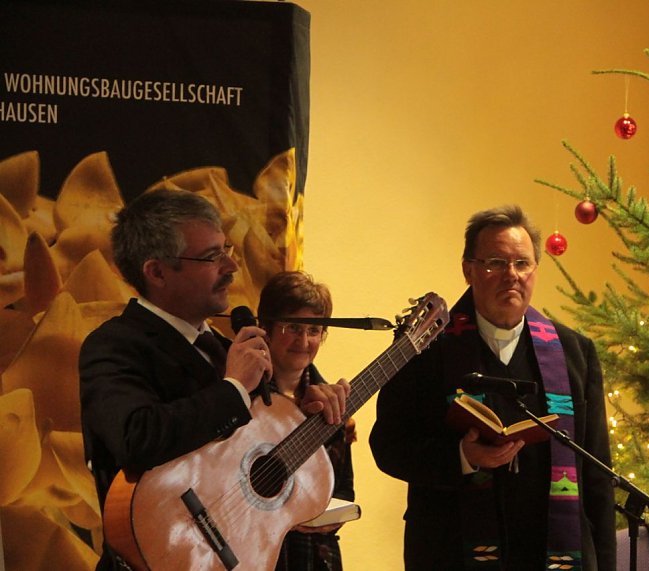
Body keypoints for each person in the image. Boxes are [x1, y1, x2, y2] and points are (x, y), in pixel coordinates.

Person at [79, 189, 349, 571]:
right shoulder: (114, 345)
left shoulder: (225, 348)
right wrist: (233, 389)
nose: (231, 267)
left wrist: (304, 417)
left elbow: (245, 462)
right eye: (211, 257)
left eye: (227, 250)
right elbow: (136, 438)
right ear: (156, 272)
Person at [369, 204, 616, 570]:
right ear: (468, 270)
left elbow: (597, 474)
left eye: (522, 264)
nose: (511, 276)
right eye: (495, 263)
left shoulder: (573, 351)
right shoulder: (423, 347)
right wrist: (464, 458)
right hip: (450, 551)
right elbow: (388, 446)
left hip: (552, 551)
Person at [257, 271, 357, 571]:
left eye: (314, 329)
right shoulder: (241, 394)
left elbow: (344, 492)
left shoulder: (332, 402)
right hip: (255, 554)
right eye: (293, 327)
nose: (304, 340)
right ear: (266, 328)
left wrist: (327, 519)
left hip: (313, 558)